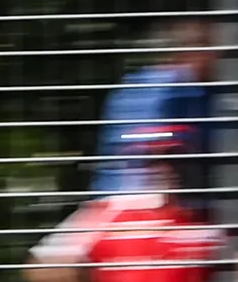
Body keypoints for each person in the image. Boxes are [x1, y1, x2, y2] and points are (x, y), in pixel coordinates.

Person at [28, 138, 224, 282]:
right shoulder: (112, 210)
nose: (165, 167)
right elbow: (46, 267)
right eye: (153, 159)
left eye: (175, 158)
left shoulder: (209, 219)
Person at [95, 18, 224, 198]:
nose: (220, 57)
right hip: (144, 201)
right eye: (213, 49)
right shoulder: (176, 89)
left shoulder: (133, 85)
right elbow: (157, 145)